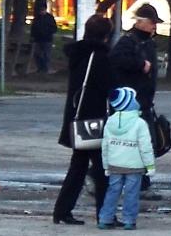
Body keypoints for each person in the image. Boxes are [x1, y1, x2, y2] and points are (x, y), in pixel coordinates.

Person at [53, 14, 115, 225]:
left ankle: (62, 210)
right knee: (101, 169)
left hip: (78, 118)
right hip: (93, 120)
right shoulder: (99, 57)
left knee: (78, 167)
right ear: (106, 36)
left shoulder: (80, 54)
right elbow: (108, 87)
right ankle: (104, 214)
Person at [109, 3, 162, 195]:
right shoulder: (128, 42)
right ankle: (138, 184)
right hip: (130, 104)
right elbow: (116, 61)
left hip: (144, 102)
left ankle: (142, 182)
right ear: (141, 23)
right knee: (135, 145)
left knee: (145, 143)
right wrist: (140, 65)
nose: (154, 27)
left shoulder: (147, 42)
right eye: (152, 23)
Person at [98, 87, 155, 231]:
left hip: (114, 164)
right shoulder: (140, 123)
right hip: (134, 165)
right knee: (132, 193)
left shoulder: (110, 121)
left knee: (112, 191)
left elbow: (105, 145)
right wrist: (150, 165)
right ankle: (129, 220)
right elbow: (145, 147)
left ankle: (105, 218)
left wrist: (106, 165)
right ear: (130, 103)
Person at [30, 4, 58, 73]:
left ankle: (46, 68)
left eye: (42, 10)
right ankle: (40, 67)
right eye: (40, 10)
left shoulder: (49, 18)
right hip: (38, 39)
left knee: (46, 54)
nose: (41, 12)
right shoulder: (37, 18)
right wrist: (33, 36)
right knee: (37, 54)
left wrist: (48, 32)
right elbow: (33, 28)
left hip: (47, 39)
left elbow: (54, 28)